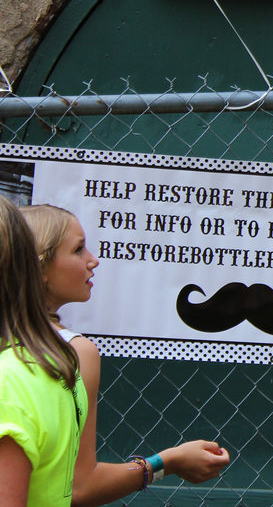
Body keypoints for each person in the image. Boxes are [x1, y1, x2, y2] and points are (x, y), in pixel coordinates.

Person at [21, 204, 230, 505]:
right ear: (39, 267)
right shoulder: (75, 353)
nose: (93, 260)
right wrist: (166, 462)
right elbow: (81, 487)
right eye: (78, 250)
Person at [0, 197, 87, 506]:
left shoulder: (9, 381)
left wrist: (157, 466)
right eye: (78, 249)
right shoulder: (52, 364)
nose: (93, 260)